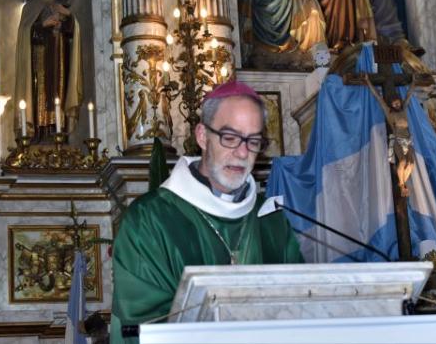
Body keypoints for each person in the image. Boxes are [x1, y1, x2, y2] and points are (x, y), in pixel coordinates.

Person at [110, 80, 303, 343]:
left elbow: (301, 306)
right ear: (202, 136)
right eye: (230, 137)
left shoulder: (271, 220)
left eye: (253, 141)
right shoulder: (149, 220)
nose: (243, 152)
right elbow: (146, 323)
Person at [14, 0, 82, 141]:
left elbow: (72, 32)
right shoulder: (31, 6)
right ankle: (38, 130)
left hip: (59, 55)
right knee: (40, 89)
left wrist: (69, 17)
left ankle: (57, 128)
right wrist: (43, 24)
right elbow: (25, 32)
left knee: (58, 89)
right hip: (40, 55)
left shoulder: (61, 5)